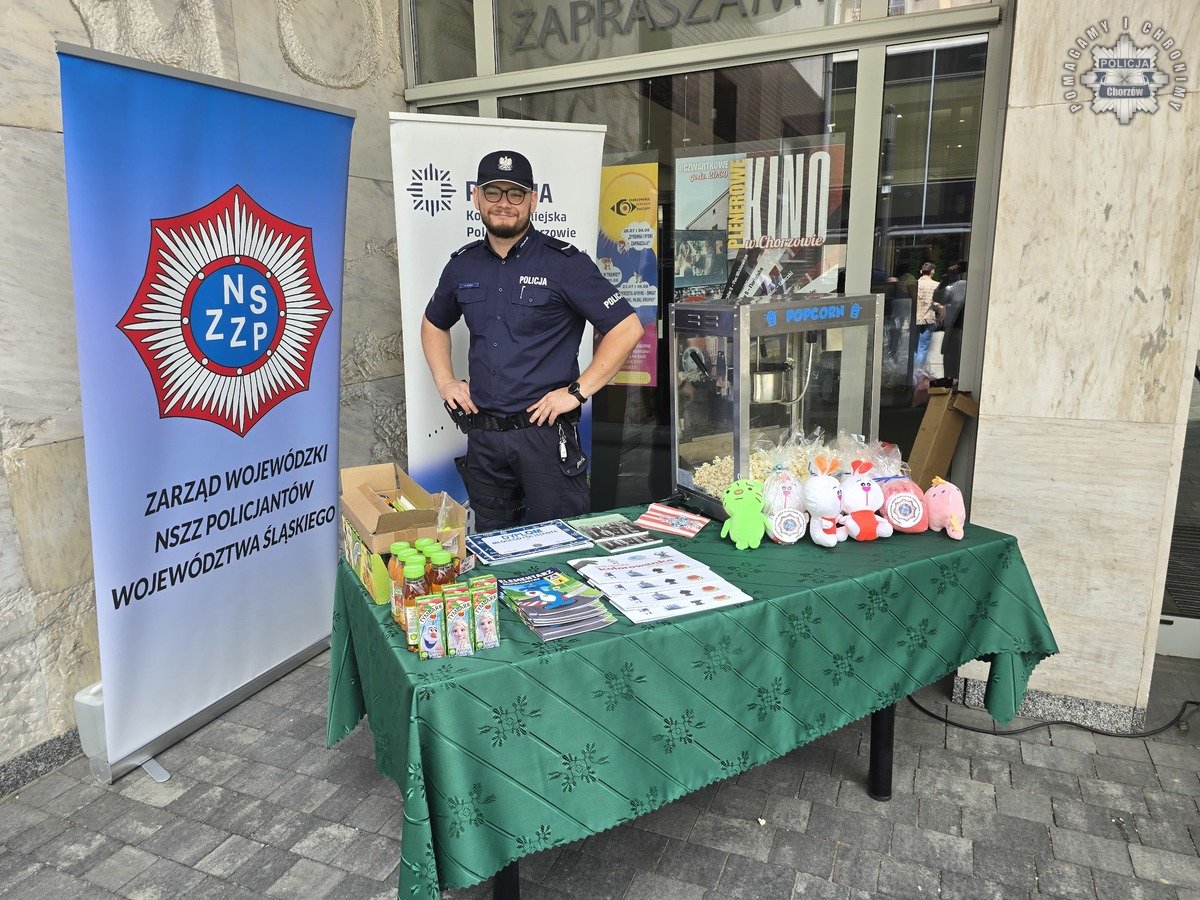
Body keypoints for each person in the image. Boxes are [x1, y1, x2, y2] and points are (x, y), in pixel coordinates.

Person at [421, 150, 642, 531]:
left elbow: (627, 328)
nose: (503, 204)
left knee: (560, 545)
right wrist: (445, 382)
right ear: (476, 197)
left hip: (544, 438)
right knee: (493, 546)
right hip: (484, 440)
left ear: (533, 200)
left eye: (515, 194)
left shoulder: (564, 264)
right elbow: (433, 323)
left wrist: (576, 391)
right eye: (493, 192)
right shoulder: (462, 265)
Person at [913, 261, 941, 369]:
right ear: (932, 271)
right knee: (923, 347)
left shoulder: (915, 284)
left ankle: (911, 372)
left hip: (915, 317)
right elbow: (938, 303)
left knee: (914, 347)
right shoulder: (936, 285)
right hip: (929, 317)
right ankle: (917, 372)